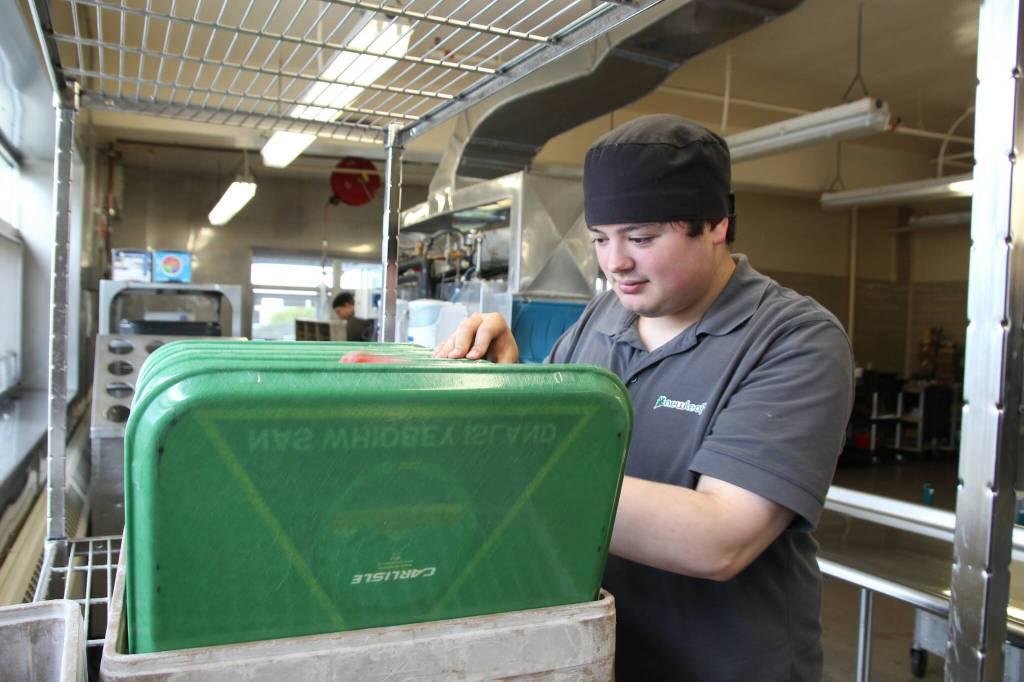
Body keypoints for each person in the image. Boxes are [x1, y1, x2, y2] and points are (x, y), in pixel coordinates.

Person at [434, 114, 854, 681]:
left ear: (716, 225)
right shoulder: (602, 316)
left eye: (641, 238)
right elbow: (558, 435)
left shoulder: (792, 338)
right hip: (595, 654)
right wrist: (506, 382)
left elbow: (719, 538)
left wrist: (507, 465)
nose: (615, 263)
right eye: (601, 240)